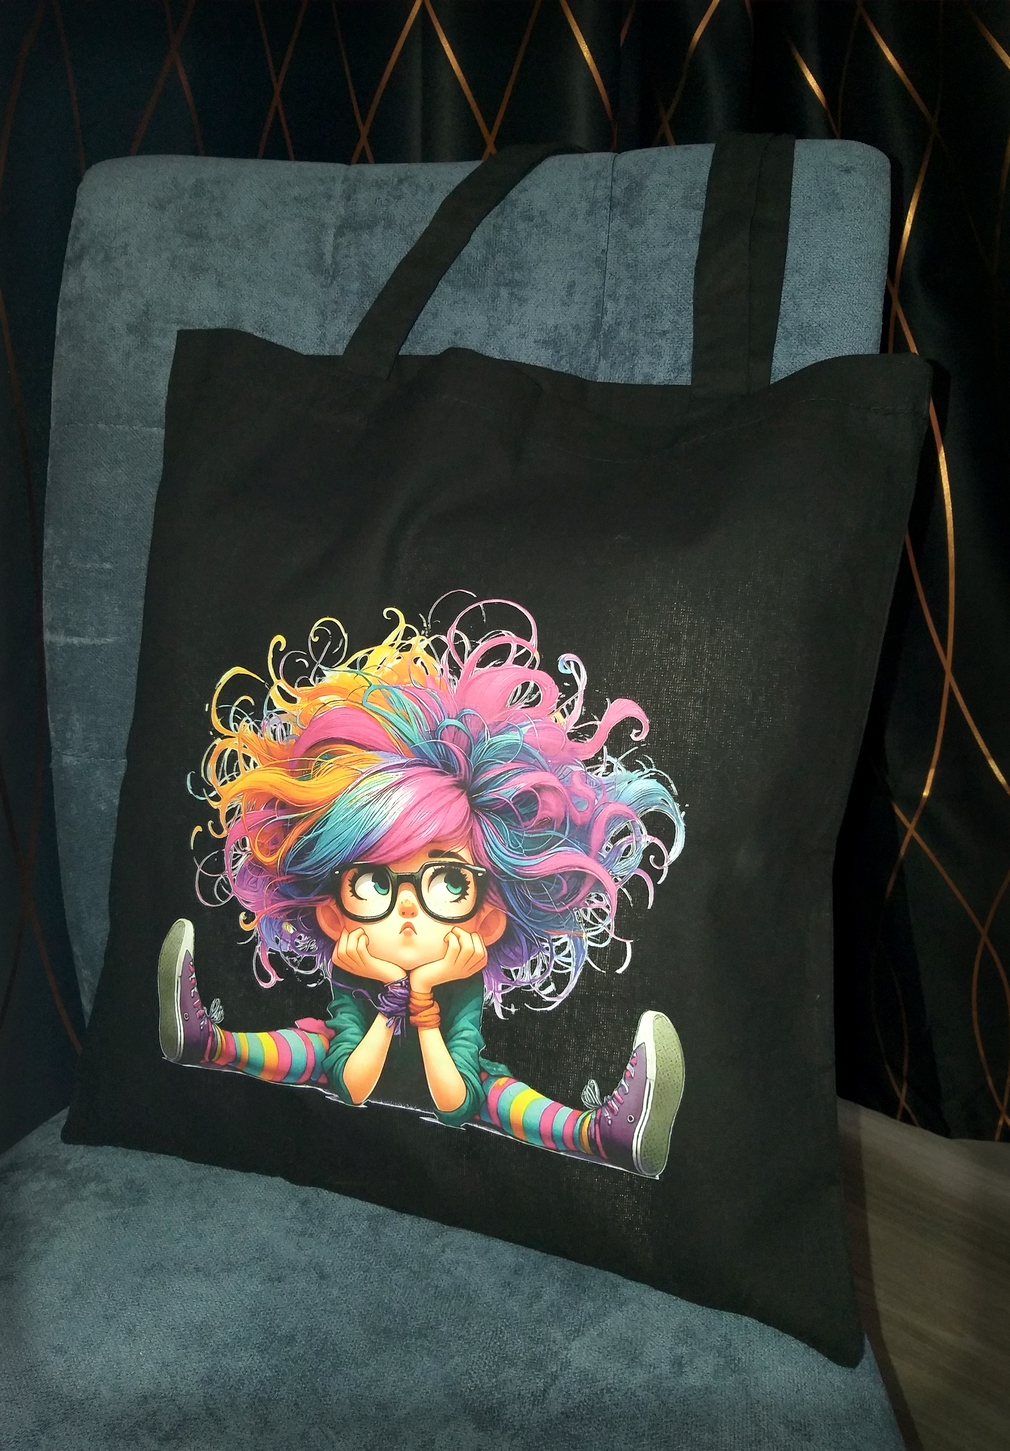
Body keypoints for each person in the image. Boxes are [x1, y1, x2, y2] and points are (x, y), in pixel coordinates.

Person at [159, 600, 686, 1178]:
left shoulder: (457, 981)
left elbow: (453, 1102)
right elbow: (352, 1084)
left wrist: (427, 998)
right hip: (357, 1059)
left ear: (487, 919)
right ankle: (209, 1043)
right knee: (313, 1047)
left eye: (449, 882)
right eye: (371, 881)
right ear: (334, 914)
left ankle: (602, 1134)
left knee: (496, 1093)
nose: (407, 904)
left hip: (453, 1080)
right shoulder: (354, 969)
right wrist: (390, 998)